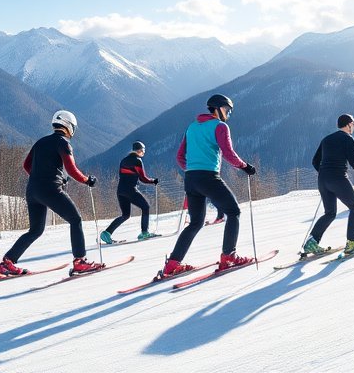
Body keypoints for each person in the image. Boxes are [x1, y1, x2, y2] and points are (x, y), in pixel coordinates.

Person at [0, 110, 102, 280]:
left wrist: (41, 177)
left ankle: (7, 263)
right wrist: (87, 180)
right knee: (75, 219)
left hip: (32, 191)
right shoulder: (64, 143)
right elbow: (72, 169)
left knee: (35, 230)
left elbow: (26, 165)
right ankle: (80, 261)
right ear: (69, 126)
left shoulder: (40, 142)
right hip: (51, 189)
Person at [161, 94, 256, 278]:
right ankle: (228, 257)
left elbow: (180, 157)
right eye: (227, 110)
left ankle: (172, 264)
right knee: (233, 211)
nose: (228, 114)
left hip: (191, 179)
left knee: (195, 222)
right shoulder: (220, 127)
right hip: (208, 177)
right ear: (218, 108)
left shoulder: (192, 127)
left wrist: (192, 170)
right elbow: (228, 153)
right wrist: (245, 167)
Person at [302, 114, 354, 257]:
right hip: (338, 178)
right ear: (348, 125)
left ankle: (312, 242)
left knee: (330, 213)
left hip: (323, 180)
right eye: (353, 124)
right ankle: (352, 242)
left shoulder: (326, 139)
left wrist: (325, 173)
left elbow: (315, 161)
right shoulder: (349, 139)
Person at [101, 141, 160, 244]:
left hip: (120, 191)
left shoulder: (124, 160)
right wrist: (153, 181)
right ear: (140, 150)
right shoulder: (137, 160)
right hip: (130, 190)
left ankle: (106, 233)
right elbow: (143, 178)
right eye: (143, 151)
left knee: (125, 215)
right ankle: (144, 232)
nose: (144, 153)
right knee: (145, 207)